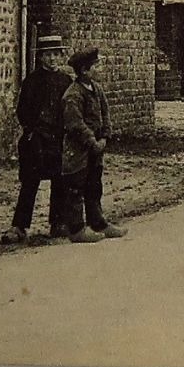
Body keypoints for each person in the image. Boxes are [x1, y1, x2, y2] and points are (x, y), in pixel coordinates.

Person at [1, 31, 71, 244]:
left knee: (60, 179)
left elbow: (70, 109)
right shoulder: (32, 81)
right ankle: (20, 226)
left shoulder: (66, 81)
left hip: (58, 138)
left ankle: (58, 223)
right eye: (47, 55)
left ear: (60, 56)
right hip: (37, 139)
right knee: (30, 182)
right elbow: (23, 111)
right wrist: (32, 131)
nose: (51, 59)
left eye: (55, 54)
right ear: (40, 57)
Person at [58, 47, 125, 243]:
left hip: (96, 148)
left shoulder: (96, 89)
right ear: (85, 70)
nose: (100, 69)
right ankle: (76, 229)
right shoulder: (73, 94)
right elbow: (75, 123)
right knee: (76, 186)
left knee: (94, 185)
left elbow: (106, 115)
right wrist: (92, 141)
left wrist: (105, 136)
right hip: (78, 150)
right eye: (96, 66)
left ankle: (98, 222)